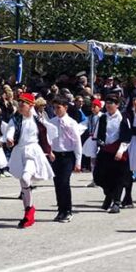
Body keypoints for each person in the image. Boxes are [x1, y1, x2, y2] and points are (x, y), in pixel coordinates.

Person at [0, 92, 55, 228]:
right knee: (22, 183)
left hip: (32, 152)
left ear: (30, 105)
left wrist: (49, 151)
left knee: (25, 179)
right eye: (19, 102)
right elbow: (10, 130)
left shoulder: (37, 120)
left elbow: (44, 136)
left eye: (23, 103)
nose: (20, 105)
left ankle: (30, 210)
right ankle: (27, 213)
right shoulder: (16, 119)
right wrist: (9, 138)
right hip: (19, 152)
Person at [94, 92, 132, 214]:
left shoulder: (123, 118)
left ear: (117, 105)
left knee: (118, 178)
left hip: (118, 150)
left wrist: (121, 150)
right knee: (99, 177)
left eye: (111, 103)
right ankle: (109, 194)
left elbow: (127, 137)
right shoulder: (103, 118)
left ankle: (116, 202)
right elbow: (98, 135)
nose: (109, 106)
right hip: (105, 150)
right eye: (107, 103)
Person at [49, 95, 83, 223]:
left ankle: (68, 210)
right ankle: (60, 210)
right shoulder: (52, 122)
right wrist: (49, 152)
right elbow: (49, 139)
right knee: (57, 184)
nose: (56, 110)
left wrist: (78, 162)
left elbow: (77, 143)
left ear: (65, 108)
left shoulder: (71, 123)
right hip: (55, 156)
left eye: (58, 107)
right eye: (54, 108)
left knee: (64, 182)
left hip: (67, 156)